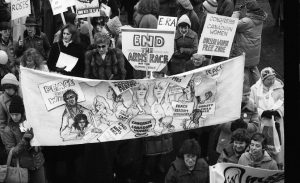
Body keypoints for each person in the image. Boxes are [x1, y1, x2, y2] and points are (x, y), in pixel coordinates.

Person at [1, 95, 46, 183]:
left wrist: (37, 146)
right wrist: (24, 141)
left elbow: (41, 143)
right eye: (12, 114)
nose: (14, 117)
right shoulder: (8, 130)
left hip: (38, 163)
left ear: (21, 113)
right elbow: (11, 153)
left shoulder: (30, 123)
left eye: (16, 114)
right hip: (22, 167)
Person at [231, 0, 268, 88]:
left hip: (245, 50)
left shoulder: (246, 21)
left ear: (248, 9)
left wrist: (236, 12)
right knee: (254, 68)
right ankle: (262, 87)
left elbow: (232, 24)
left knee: (245, 70)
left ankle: (246, 90)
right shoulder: (260, 18)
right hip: (255, 49)